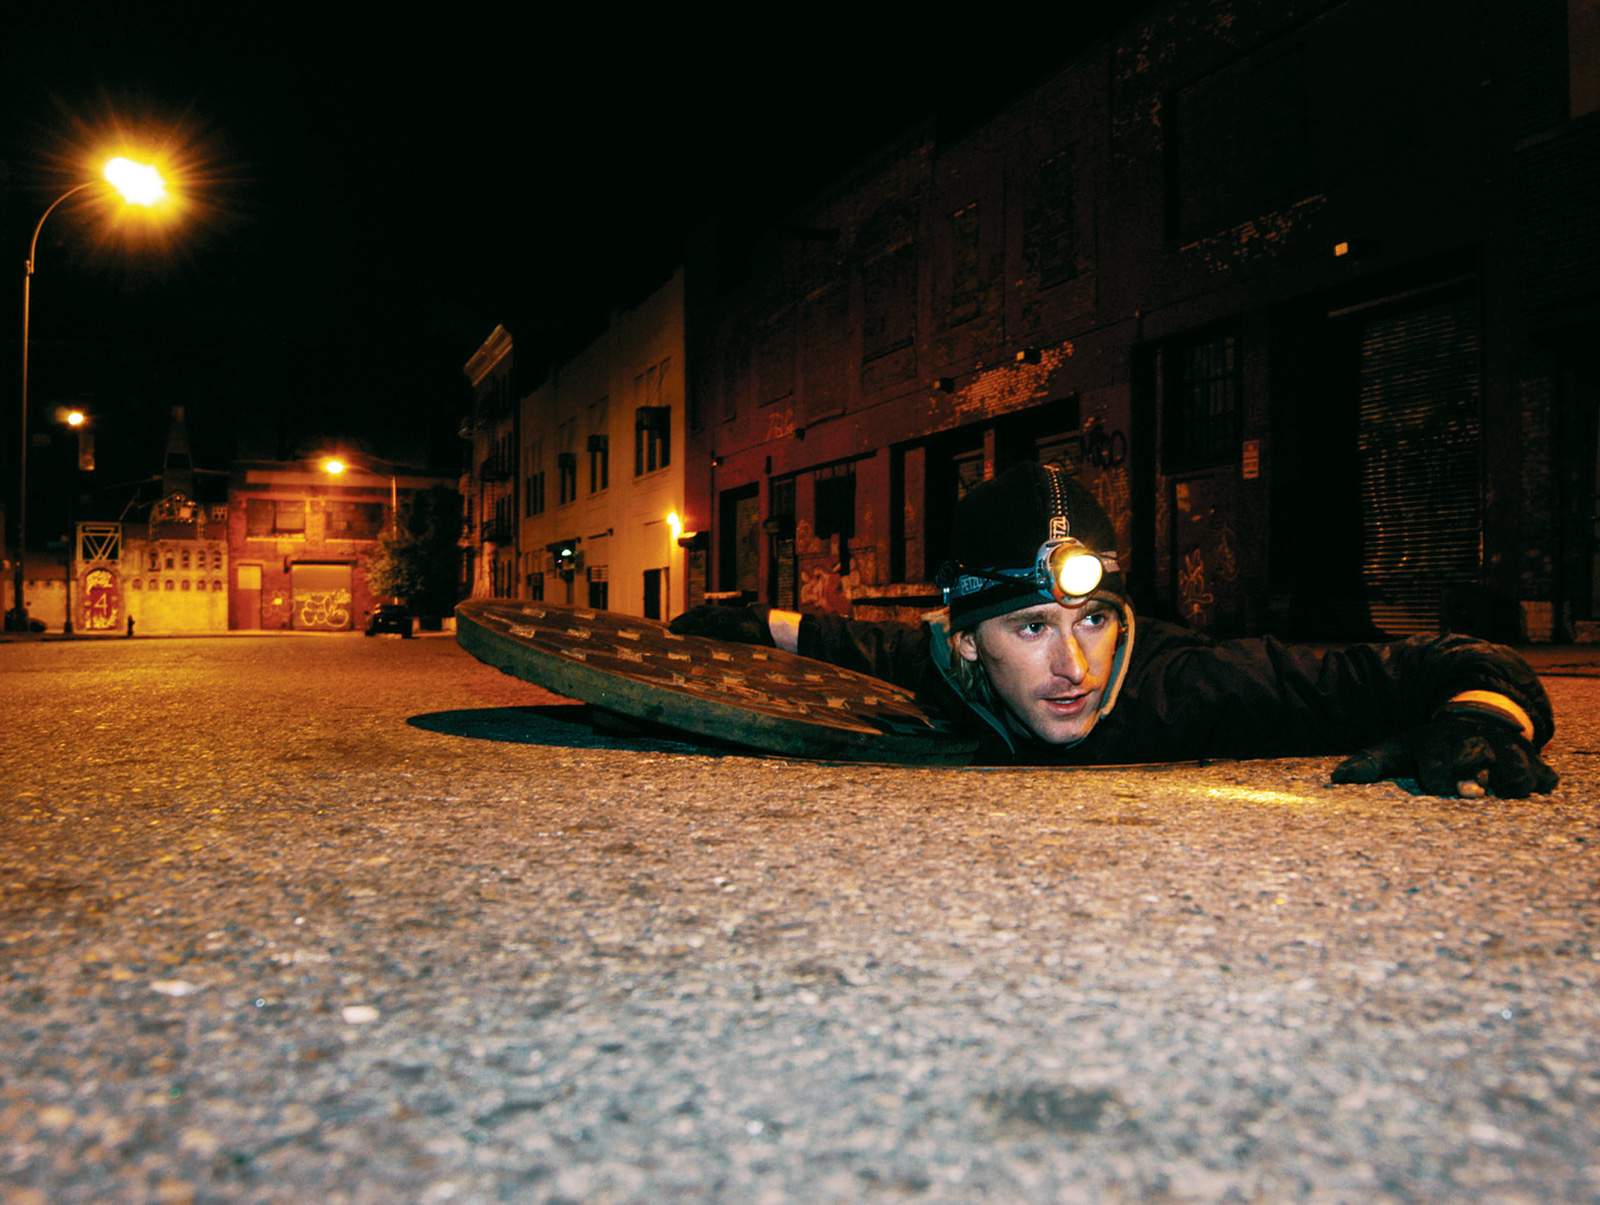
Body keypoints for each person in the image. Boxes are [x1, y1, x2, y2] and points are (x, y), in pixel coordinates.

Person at [670, 462, 1558, 797]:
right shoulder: (947, 661)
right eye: (1031, 628)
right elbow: (866, 644)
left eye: (1093, 617)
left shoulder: (1188, 687)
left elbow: (1455, 661)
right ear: (970, 640)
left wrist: (1481, 712)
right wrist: (756, 621)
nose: (1074, 663)